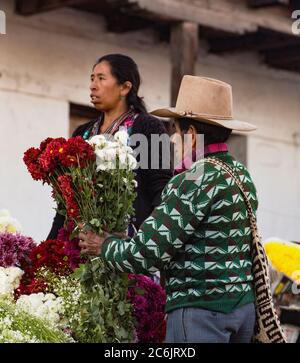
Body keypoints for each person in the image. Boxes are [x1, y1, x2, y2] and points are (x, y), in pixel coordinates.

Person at [79, 75, 259, 343]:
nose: (173, 140)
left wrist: (103, 245)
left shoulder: (193, 179)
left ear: (192, 136)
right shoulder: (239, 174)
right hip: (242, 309)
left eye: (176, 130)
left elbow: (146, 254)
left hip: (202, 312)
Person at [47, 54, 172, 240]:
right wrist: (52, 243)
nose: (93, 85)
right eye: (92, 78)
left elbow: (161, 190)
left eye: (101, 78)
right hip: (82, 243)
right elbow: (67, 199)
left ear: (124, 87)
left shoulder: (149, 127)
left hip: (127, 245)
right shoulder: (83, 133)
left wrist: (146, 242)